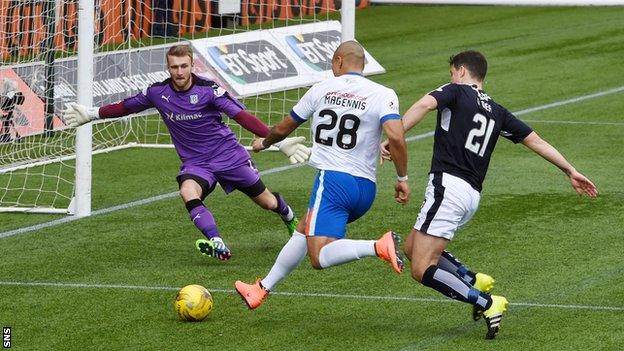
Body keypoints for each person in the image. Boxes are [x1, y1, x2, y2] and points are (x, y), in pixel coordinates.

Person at [381, 50, 598, 339]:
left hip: (449, 187)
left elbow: (423, 104)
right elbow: (535, 140)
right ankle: (474, 280)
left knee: (421, 268)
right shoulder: (497, 110)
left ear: (459, 72)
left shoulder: (455, 92)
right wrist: (569, 170)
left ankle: (486, 302)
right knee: (411, 247)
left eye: (451, 73)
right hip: (471, 194)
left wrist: (396, 136)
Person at [63, 44, 311, 261]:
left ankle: (289, 217)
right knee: (187, 191)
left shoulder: (209, 90)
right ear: (168, 68)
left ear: (192, 65)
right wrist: (92, 114)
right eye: (174, 67)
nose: (179, 72)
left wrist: (276, 141)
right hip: (196, 163)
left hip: (228, 156)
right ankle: (217, 242)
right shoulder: (157, 93)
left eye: (184, 66)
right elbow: (126, 106)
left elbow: (242, 116)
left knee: (267, 202)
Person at [234, 41, 411, 310]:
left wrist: (264, 142)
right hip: (365, 189)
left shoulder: (322, 89)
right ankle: (261, 288)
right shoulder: (383, 93)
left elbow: (284, 126)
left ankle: (378, 246)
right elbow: (396, 136)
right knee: (305, 228)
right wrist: (402, 178)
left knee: (319, 257)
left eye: (331, 62)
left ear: (339, 61)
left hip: (333, 182)